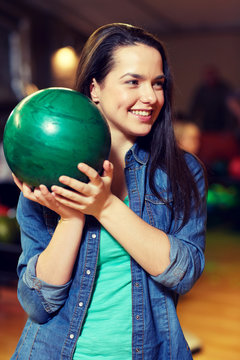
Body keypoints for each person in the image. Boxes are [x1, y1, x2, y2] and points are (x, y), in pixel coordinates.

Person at [11, 23, 207, 360]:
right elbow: (39, 304)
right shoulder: (48, 168)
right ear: (94, 89)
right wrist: (71, 217)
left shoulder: (182, 172)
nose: (151, 97)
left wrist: (104, 206)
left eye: (157, 83)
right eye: (133, 81)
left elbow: (184, 273)